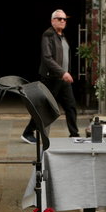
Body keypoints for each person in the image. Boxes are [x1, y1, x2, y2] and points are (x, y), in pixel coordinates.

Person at [21, 9, 79, 143]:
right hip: (51, 79)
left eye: (64, 19)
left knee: (71, 106)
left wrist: (66, 72)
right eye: (59, 19)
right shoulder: (48, 35)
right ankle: (28, 132)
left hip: (63, 80)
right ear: (52, 20)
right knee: (45, 108)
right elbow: (47, 58)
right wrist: (63, 72)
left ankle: (74, 135)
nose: (63, 21)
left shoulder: (62, 36)